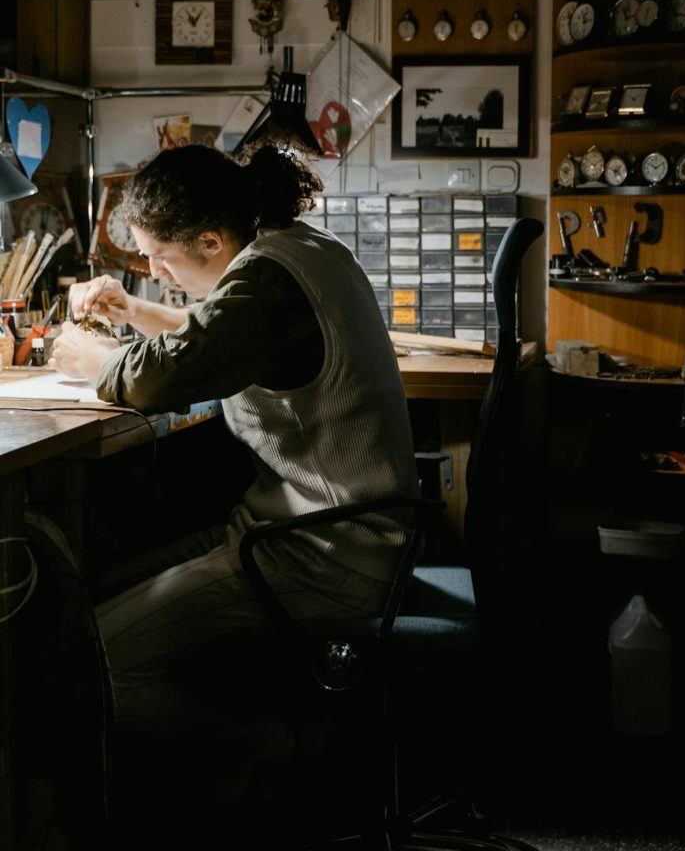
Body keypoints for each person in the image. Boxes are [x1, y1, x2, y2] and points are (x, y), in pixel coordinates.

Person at [50, 143, 420, 834]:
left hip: (326, 557)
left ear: (212, 241)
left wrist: (92, 356)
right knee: (95, 591)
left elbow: (158, 378)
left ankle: (281, 752)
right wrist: (134, 313)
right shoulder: (296, 250)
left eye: (157, 258)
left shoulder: (266, 282)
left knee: (89, 663)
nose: (153, 272)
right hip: (322, 533)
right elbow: (215, 338)